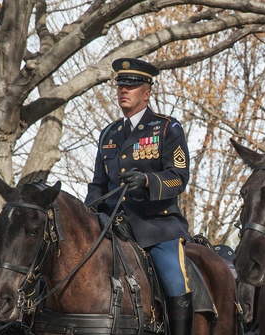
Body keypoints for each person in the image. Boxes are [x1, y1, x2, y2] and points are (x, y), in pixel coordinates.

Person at [85, 58, 192, 335]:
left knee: (175, 281)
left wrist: (146, 181)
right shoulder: (108, 134)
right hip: (111, 225)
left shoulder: (167, 128)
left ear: (147, 93)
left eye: (131, 86)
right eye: (121, 84)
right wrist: (88, 216)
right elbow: (97, 185)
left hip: (155, 227)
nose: (124, 90)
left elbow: (178, 177)